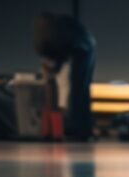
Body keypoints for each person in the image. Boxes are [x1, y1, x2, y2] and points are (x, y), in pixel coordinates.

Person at [33, 12, 96, 140]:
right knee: (78, 89)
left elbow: (61, 57)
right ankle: (80, 129)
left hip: (84, 47)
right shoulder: (50, 33)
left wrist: (52, 71)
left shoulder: (53, 36)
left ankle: (80, 131)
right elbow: (60, 58)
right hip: (81, 45)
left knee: (78, 89)